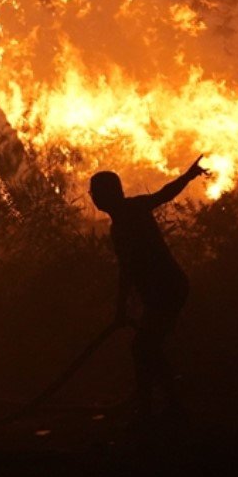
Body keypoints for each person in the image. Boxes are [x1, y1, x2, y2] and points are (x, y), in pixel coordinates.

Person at [89, 157, 206, 425]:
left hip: (167, 289)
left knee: (144, 348)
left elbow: (127, 269)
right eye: (92, 193)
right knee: (145, 349)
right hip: (163, 290)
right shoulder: (125, 217)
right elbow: (164, 194)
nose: (94, 198)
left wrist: (188, 176)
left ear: (111, 194)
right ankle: (156, 406)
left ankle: (156, 408)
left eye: (96, 192)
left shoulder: (128, 216)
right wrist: (188, 176)